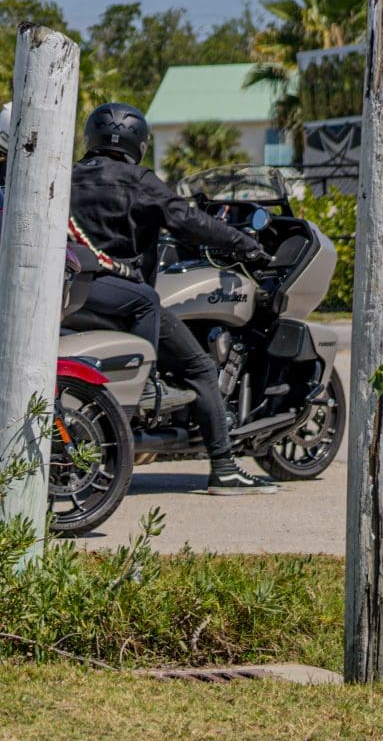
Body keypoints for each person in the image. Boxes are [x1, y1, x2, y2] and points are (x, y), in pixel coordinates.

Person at [64, 101, 278, 496]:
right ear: (138, 144)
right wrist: (245, 244)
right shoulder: (138, 180)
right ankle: (225, 469)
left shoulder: (67, 177)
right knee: (198, 367)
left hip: (72, 297)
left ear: (90, 139)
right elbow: (189, 221)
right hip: (125, 301)